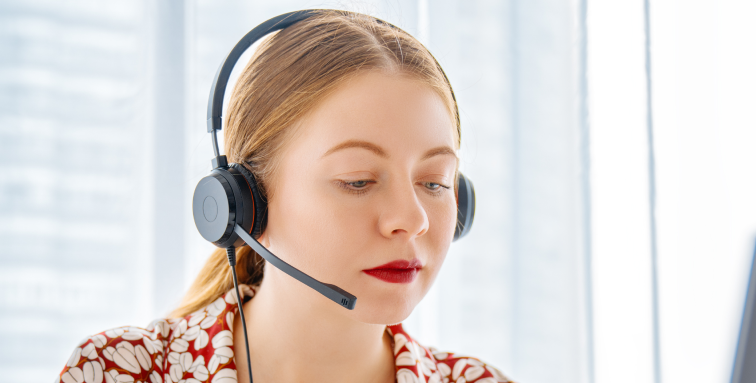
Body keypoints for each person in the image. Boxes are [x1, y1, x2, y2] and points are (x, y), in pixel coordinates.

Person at [56, 9, 512, 383]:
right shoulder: (117, 372)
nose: (412, 220)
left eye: (434, 182)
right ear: (246, 204)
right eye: (357, 181)